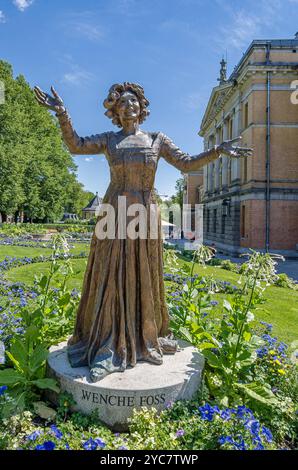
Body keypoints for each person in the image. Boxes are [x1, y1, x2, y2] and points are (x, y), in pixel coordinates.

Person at [34, 82, 252, 382]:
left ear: (142, 107)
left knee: (144, 273)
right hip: (114, 212)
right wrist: (62, 114)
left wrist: (217, 150)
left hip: (146, 213)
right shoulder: (110, 140)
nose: (128, 107)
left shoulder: (156, 140)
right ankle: (108, 346)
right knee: (111, 274)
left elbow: (186, 163)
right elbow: (76, 145)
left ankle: (144, 338)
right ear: (115, 110)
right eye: (122, 103)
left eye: (133, 101)